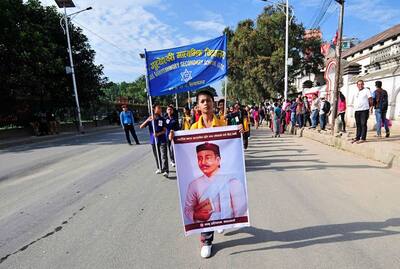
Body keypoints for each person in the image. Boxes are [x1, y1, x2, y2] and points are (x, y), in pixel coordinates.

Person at [184, 142, 247, 223]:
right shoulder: (194, 185)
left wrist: (240, 130)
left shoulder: (233, 183)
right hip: (205, 224)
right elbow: (188, 210)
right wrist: (196, 215)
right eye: (199, 158)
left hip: (228, 223)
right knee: (206, 235)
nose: (203, 162)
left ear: (218, 160)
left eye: (208, 158)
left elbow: (241, 212)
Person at [140, 103, 169, 177]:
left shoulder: (162, 119)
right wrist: (147, 120)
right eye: (158, 108)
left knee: (164, 155)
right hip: (153, 140)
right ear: (154, 109)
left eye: (160, 108)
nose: (160, 109)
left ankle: (166, 170)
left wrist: (158, 134)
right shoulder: (150, 119)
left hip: (162, 139)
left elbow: (165, 130)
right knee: (157, 155)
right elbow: (141, 126)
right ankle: (159, 168)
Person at [352, 80, 373, 144]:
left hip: (364, 110)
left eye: (361, 84)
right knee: (358, 124)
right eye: (359, 84)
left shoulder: (366, 90)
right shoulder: (356, 91)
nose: (360, 85)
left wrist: (371, 107)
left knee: (363, 124)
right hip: (357, 110)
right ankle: (357, 137)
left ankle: (363, 138)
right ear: (357, 85)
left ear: (363, 84)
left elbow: (370, 99)